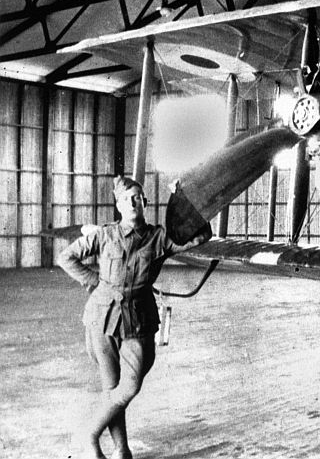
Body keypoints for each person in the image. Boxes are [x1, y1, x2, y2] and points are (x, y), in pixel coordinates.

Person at [58, 176, 212, 459]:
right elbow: (66, 258)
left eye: (138, 198)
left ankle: (88, 434)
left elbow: (201, 237)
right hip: (101, 318)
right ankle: (120, 450)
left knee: (128, 387)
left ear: (145, 203)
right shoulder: (105, 235)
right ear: (118, 205)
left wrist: (182, 198)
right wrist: (95, 282)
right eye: (127, 199)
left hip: (138, 319)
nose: (132, 203)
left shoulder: (159, 238)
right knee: (111, 388)